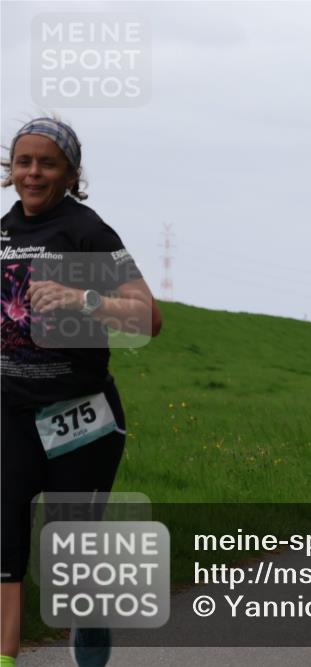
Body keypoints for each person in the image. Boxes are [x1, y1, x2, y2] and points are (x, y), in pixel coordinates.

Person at [1, 117, 163, 667]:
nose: (33, 173)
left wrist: (81, 299)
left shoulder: (90, 232)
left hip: (80, 414)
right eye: (24, 161)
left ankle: (89, 623)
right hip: (12, 413)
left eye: (47, 163)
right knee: (7, 547)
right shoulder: (2, 232)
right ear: (11, 168)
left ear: (70, 172)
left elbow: (147, 316)